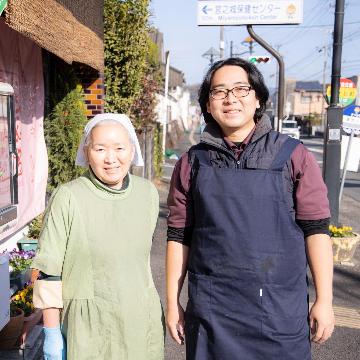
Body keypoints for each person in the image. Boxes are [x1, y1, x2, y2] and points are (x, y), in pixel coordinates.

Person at [166, 58, 335, 360]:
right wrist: (172, 302)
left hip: (279, 312)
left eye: (241, 88)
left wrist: (325, 299)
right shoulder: (192, 163)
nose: (231, 98)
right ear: (207, 103)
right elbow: (179, 235)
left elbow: (316, 229)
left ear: (257, 98)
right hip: (212, 310)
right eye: (219, 91)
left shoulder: (293, 156)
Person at [31, 113, 164, 360]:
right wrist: (51, 333)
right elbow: (49, 271)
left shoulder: (147, 194)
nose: (111, 158)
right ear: (86, 151)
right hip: (88, 328)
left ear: (132, 149)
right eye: (100, 148)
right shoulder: (68, 197)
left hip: (139, 322)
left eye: (119, 148)